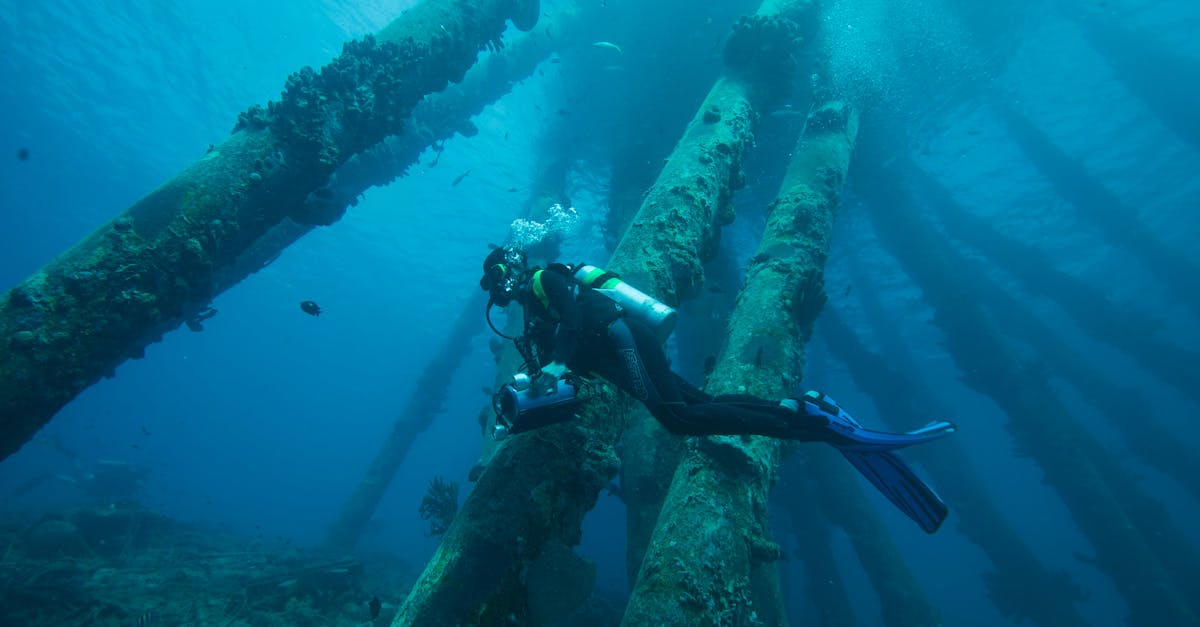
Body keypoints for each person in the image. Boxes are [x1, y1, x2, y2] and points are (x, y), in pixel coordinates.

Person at [479, 246, 956, 533]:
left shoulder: (545, 280)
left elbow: (576, 316)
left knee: (677, 418)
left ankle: (809, 425)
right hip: (621, 353)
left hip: (625, 339)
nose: (496, 290)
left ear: (513, 268)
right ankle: (795, 407)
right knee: (698, 404)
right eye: (491, 285)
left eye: (497, 277)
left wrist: (558, 360)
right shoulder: (535, 319)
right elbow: (561, 369)